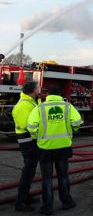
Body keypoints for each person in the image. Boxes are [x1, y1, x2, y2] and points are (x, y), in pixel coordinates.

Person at [27, 86, 83, 215]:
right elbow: (77, 122)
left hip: (45, 148)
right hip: (63, 147)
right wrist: (72, 131)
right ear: (59, 94)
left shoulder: (40, 108)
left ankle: (47, 207)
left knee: (47, 178)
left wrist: (37, 137)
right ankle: (67, 202)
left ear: (48, 95)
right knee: (63, 176)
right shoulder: (68, 107)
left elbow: (31, 126)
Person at [12, 82, 39, 212]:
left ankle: (26, 197)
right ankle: (20, 202)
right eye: (38, 87)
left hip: (31, 142)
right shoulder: (24, 105)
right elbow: (26, 125)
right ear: (33, 90)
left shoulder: (31, 102)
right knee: (28, 172)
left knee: (30, 171)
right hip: (28, 142)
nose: (39, 89)